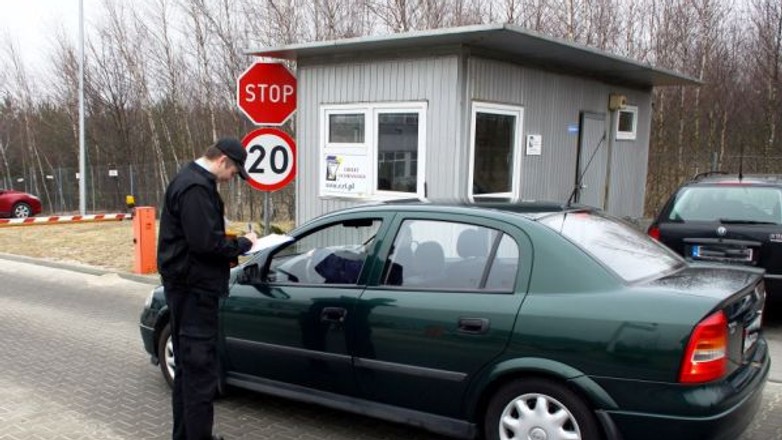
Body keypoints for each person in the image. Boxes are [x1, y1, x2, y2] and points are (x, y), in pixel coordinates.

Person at [157, 137, 258, 440]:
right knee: (200, 374)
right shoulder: (196, 188)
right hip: (194, 292)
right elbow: (205, 243)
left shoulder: (189, 180)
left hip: (186, 288)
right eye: (234, 172)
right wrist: (243, 244)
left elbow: (199, 236)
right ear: (223, 161)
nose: (232, 179)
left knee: (188, 373)